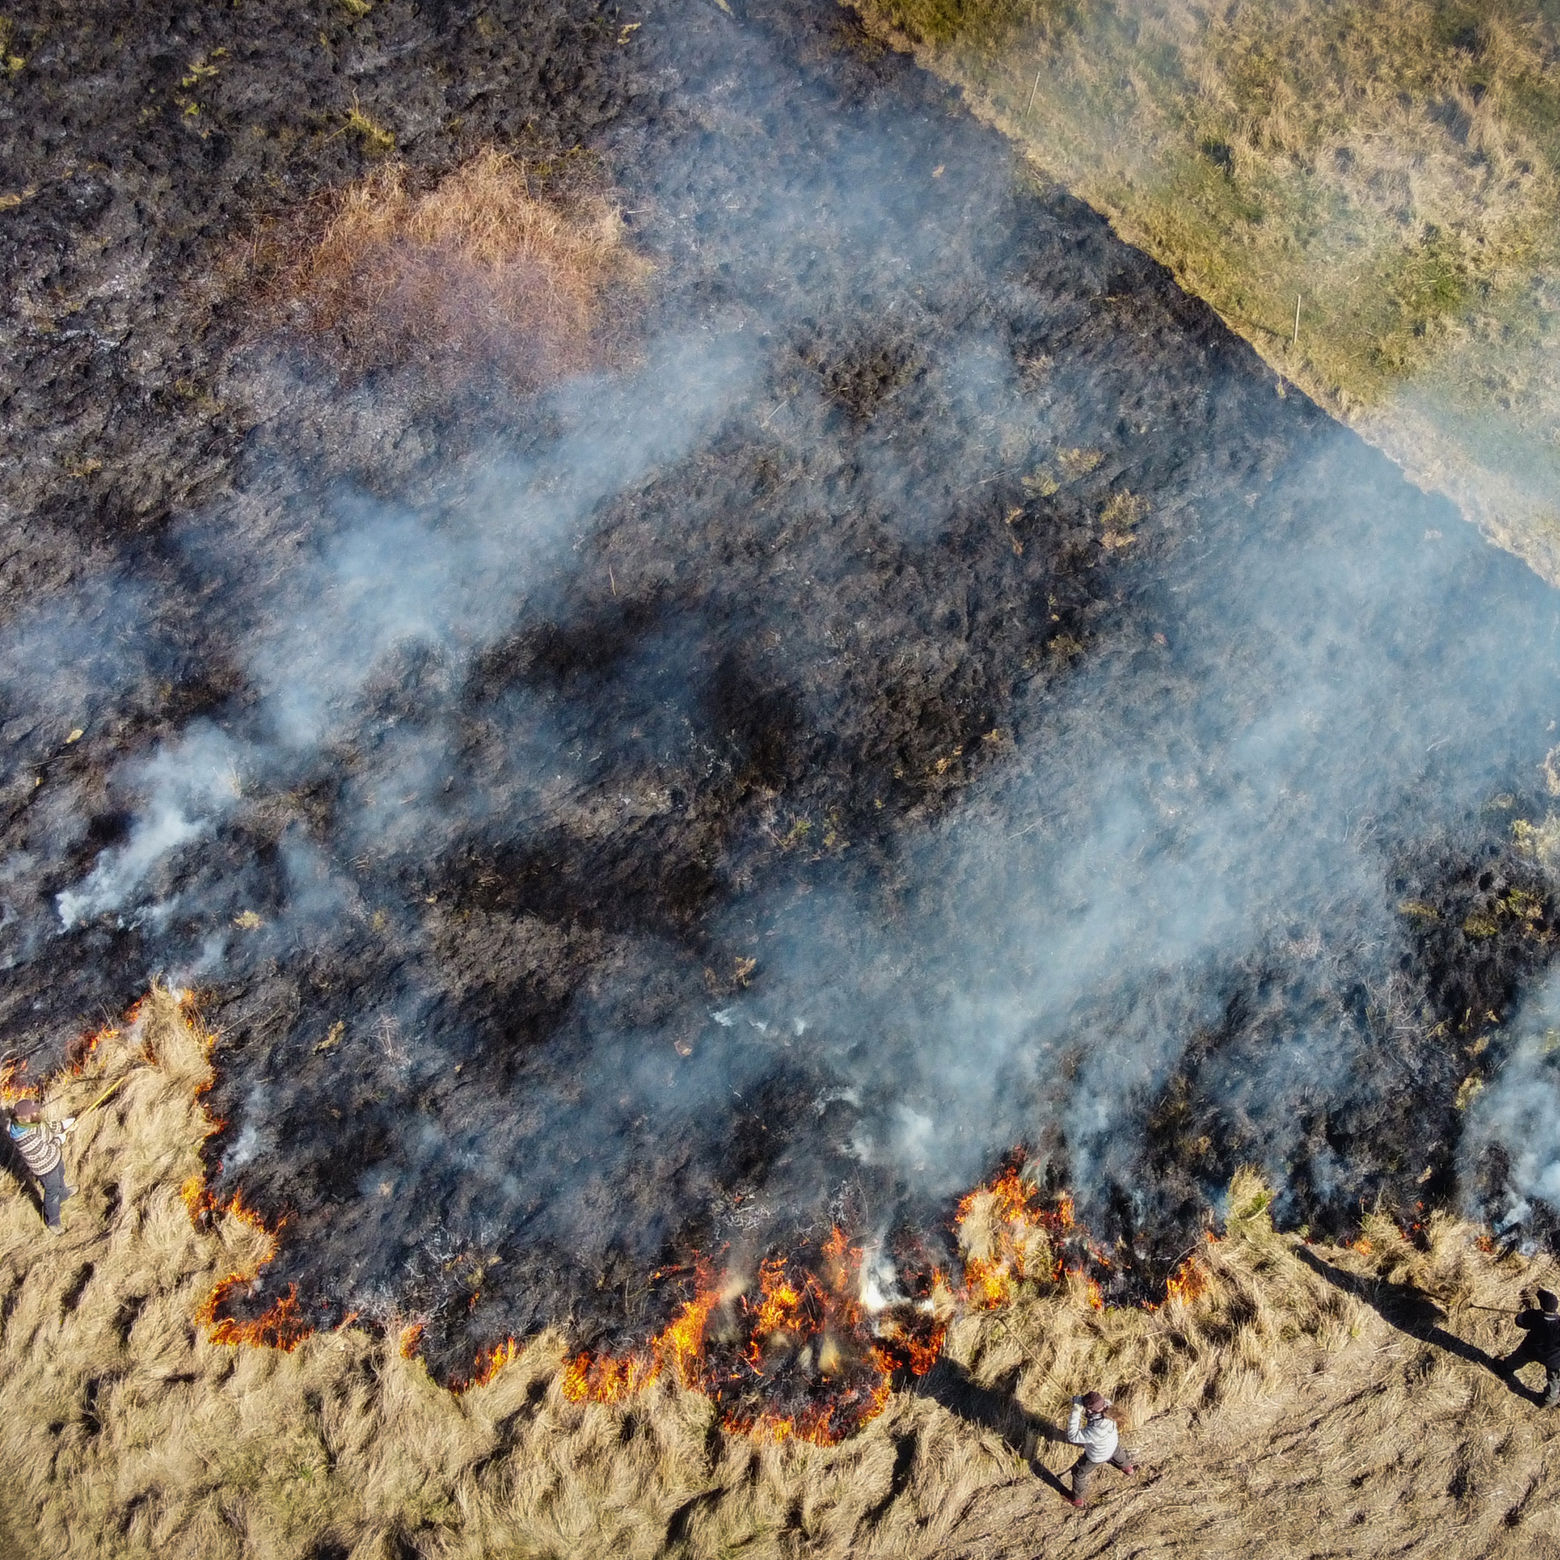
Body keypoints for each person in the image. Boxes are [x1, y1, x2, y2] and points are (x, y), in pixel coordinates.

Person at [6, 1097, 76, 1233]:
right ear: (25, 1117)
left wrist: (63, 1125)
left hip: (55, 1159)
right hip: (45, 1168)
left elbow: (46, 1127)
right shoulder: (25, 1139)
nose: (37, 1112)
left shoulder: (31, 1122)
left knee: (61, 1173)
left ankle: (64, 1193)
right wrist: (59, 1140)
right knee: (52, 1191)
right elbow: (46, 1152)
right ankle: (53, 1222)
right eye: (34, 1111)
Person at [1064, 1389, 1136, 1507]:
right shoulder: (1109, 1407)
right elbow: (1096, 1403)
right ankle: (1128, 1468)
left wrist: (1076, 1410)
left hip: (1097, 1456)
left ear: (1089, 1410)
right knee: (1119, 1454)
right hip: (1112, 1445)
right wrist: (1081, 1400)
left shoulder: (1097, 1429)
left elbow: (1073, 1436)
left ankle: (1077, 1500)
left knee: (1078, 1473)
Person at [1501, 1287, 1560, 1407]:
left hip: (1532, 1349)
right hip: (1553, 1358)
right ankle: (1548, 1400)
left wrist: (1523, 1315)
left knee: (1516, 1359)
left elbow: (1519, 1321)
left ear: (1542, 1305)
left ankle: (1504, 1369)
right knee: (1554, 1380)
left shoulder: (1534, 1316)